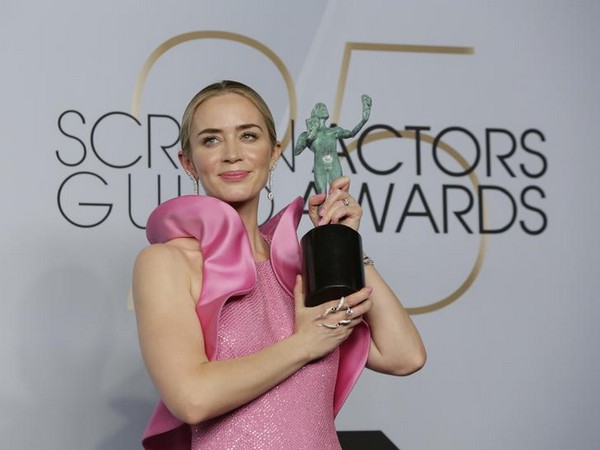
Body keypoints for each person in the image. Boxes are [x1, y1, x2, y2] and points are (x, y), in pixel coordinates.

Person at [132, 80, 426, 450]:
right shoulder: (167, 263)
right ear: (188, 163)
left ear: (274, 153)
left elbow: (404, 356)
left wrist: (342, 241)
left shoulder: (301, 265)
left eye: (248, 136)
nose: (232, 154)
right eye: (211, 140)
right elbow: (192, 398)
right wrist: (304, 345)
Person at [293, 95, 372, 194]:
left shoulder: (334, 131)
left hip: (334, 165)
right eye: (320, 107)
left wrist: (363, 120)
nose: (324, 108)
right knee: (322, 195)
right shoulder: (306, 134)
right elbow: (296, 151)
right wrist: (309, 138)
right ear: (314, 113)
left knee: (337, 194)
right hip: (320, 167)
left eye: (325, 107)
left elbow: (351, 133)